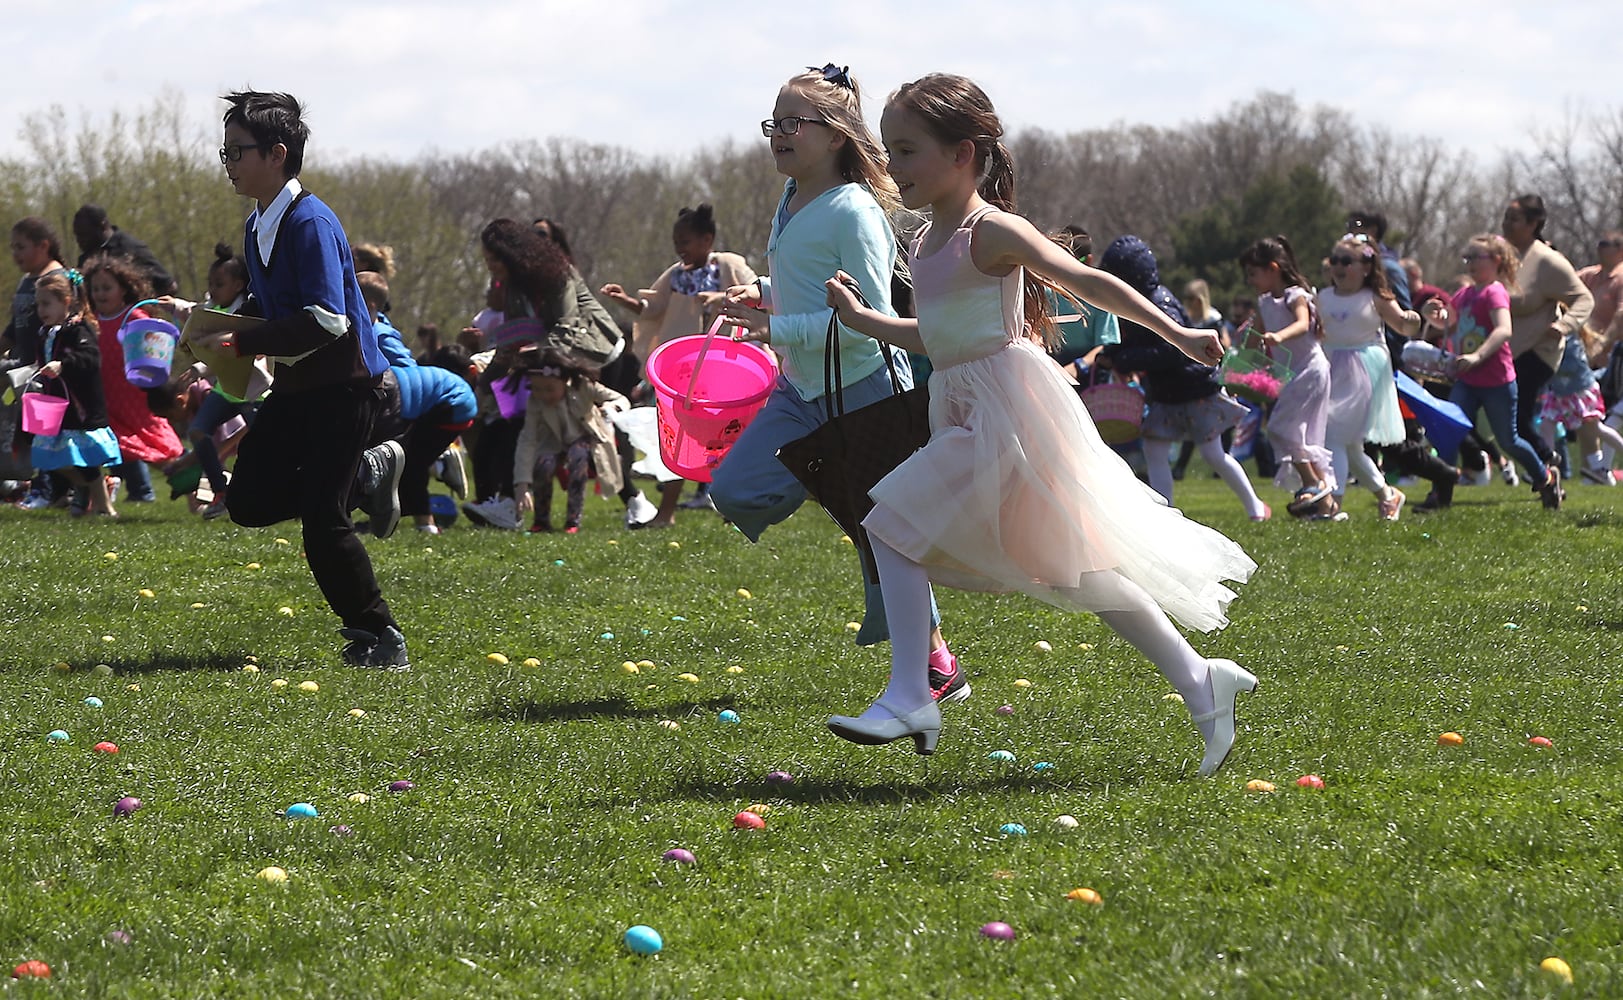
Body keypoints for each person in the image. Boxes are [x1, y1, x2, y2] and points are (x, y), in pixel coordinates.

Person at [821, 73, 1256, 773]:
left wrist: (1177, 334)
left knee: (889, 523)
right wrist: (867, 321)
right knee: (1075, 569)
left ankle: (911, 692)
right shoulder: (929, 237)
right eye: (889, 151)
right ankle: (1201, 679)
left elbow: (1090, 284)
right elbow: (944, 337)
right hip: (965, 402)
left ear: (962, 153)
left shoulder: (990, 230)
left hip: (1007, 410)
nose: (893, 167)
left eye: (906, 151)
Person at [715, 62, 967, 704]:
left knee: (883, 537)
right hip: (802, 388)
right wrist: (767, 296)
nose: (778, 133)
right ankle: (835, 486)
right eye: (774, 121)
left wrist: (775, 330)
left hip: (865, 391)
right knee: (737, 490)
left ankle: (936, 664)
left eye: (794, 122)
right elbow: (813, 287)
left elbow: (868, 322)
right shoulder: (790, 198)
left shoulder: (854, 210)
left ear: (834, 135)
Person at [190, 90, 408, 669]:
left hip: (345, 387)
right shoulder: (256, 223)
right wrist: (205, 323)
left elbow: (327, 320)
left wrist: (244, 339)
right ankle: (366, 472)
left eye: (238, 151)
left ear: (277, 153)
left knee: (323, 523)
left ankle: (378, 636)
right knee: (249, 501)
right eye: (226, 151)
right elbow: (270, 310)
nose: (229, 161)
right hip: (296, 389)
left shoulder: (310, 220)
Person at [600, 203, 756, 525]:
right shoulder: (674, 276)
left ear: (706, 240)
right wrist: (624, 300)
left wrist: (721, 299)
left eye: (684, 241)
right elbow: (652, 308)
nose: (679, 248)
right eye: (676, 242)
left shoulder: (728, 265)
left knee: (732, 438)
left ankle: (731, 508)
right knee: (679, 438)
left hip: (725, 366)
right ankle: (667, 513)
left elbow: (756, 293)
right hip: (686, 370)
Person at [1097, 235, 1270, 521]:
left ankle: (1256, 508)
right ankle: (1167, 515)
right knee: (1154, 449)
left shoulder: (1159, 303)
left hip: (1195, 390)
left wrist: (1124, 359)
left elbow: (1172, 351)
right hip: (1166, 394)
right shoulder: (1135, 303)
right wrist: (1114, 353)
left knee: (1213, 454)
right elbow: (1135, 341)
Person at [1417, 235, 1560, 510]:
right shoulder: (1464, 294)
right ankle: (1440, 493)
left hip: (1496, 380)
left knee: (1509, 441)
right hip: (1467, 379)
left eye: (1476, 258)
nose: (1469, 263)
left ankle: (1546, 479)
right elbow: (1446, 322)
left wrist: (1478, 355)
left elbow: (1504, 329)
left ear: (1496, 261)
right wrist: (1430, 312)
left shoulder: (1494, 292)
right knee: (1449, 433)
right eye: (1467, 258)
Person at [1316, 235, 1424, 520]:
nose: (1338, 266)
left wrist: (1415, 319)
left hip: (1364, 368)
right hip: (1330, 367)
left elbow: (1402, 324)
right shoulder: (1323, 297)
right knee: (1349, 444)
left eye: (1346, 261)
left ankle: (1333, 503)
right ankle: (1388, 495)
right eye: (1335, 260)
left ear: (1365, 266)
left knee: (1335, 436)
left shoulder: (1375, 297)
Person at [1239, 236, 1335, 519]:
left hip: (1311, 369)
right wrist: (1241, 366)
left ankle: (1313, 483)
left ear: (1272, 268)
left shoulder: (1296, 295)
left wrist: (1277, 337)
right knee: (1296, 434)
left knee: (1281, 428)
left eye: (1254, 274)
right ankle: (1327, 504)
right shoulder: (1264, 302)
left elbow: (1302, 323)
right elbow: (1252, 338)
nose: (1251, 280)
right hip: (1291, 375)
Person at [1502, 195, 1593, 483]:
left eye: (1513, 219)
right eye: (1505, 217)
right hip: (1506, 350)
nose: (1506, 224)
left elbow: (1583, 298)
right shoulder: (1502, 256)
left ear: (1533, 224)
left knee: (1517, 419)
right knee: (1495, 417)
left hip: (1538, 351)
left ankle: (1545, 467)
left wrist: (1564, 325)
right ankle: (1547, 460)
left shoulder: (1547, 261)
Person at [82, 253, 183, 506]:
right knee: (118, 445)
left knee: (155, 447)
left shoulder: (134, 317)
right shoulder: (91, 321)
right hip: (107, 396)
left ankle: (191, 477)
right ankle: (137, 490)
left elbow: (155, 344)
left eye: (107, 288)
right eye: (95, 289)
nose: (100, 293)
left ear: (124, 289)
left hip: (135, 397)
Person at [26, 271, 121, 516]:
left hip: (79, 407)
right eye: (39, 304)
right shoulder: (46, 332)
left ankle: (103, 505)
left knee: (86, 460)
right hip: (53, 405)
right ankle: (86, 488)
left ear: (66, 301)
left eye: (47, 303)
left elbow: (90, 358)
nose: (41, 310)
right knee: (47, 456)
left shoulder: (78, 329)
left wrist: (63, 364)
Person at [513, 348, 628, 533]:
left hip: (583, 437)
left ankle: (573, 520)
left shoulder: (583, 386)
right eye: (537, 389)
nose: (543, 395)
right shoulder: (535, 402)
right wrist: (522, 484)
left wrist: (611, 406)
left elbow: (620, 398)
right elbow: (528, 439)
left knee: (578, 458)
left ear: (563, 381)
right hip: (553, 441)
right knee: (543, 465)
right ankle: (541, 520)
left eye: (550, 389)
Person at [4, 218, 69, 505]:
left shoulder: (56, 278)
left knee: (43, 432)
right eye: (12, 247)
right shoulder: (26, 280)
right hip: (21, 369)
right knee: (26, 433)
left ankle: (51, 490)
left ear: (43, 246)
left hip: (45, 370)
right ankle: (29, 485)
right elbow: (14, 329)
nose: (15, 254)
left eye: (21, 247)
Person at [72, 205, 175, 297]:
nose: (79, 241)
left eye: (84, 235)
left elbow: (169, 286)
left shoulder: (131, 248)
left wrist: (139, 303)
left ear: (102, 226)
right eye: (77, 236)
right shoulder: (86, 258)